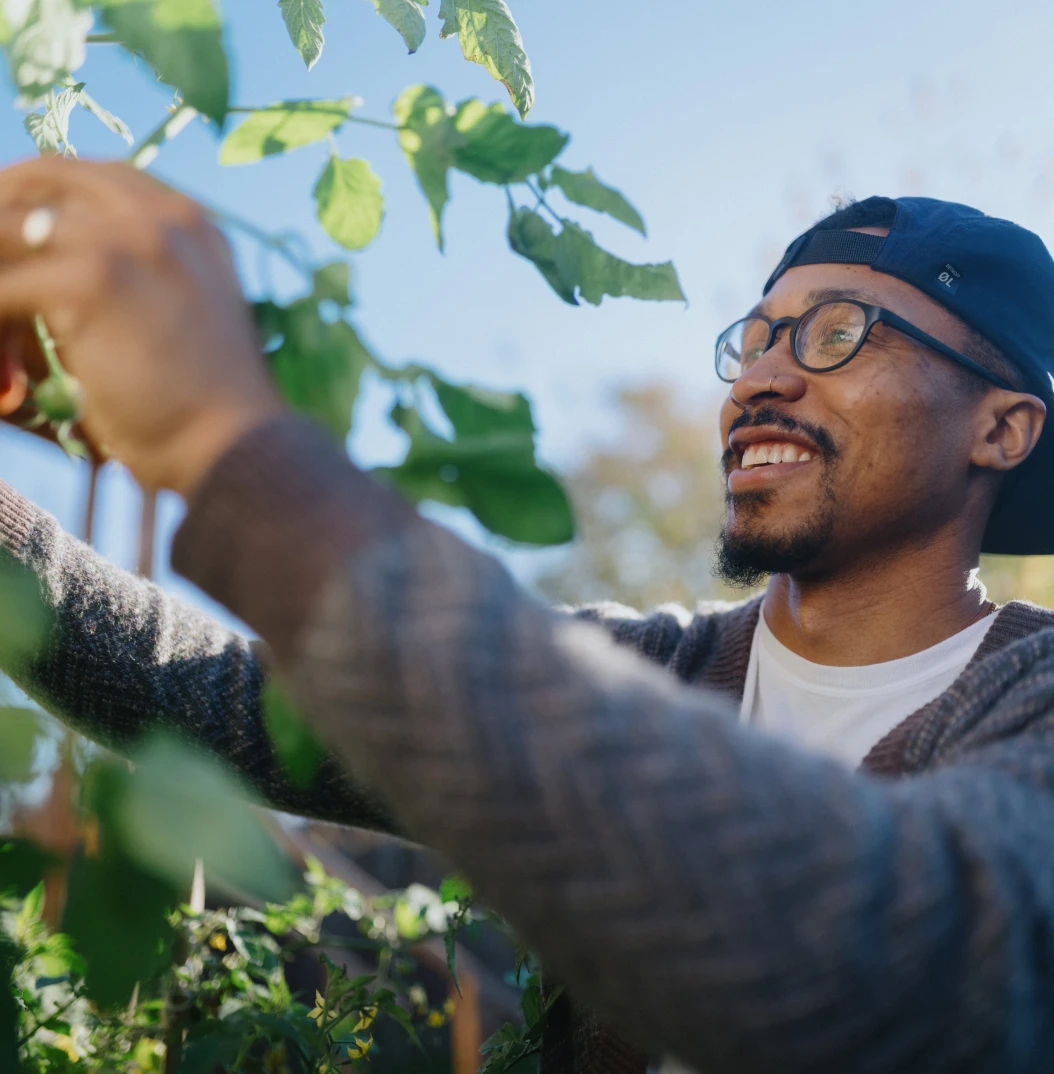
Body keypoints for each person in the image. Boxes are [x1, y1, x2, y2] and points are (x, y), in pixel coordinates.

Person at [1, 158, 1054, 1074]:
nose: (761, 381)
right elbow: (205, 696)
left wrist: (227, 444)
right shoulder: (651, 667)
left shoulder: (1032, 705)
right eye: (758, 338)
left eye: (838, 334)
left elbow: (898, 960)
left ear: (1001, 429)